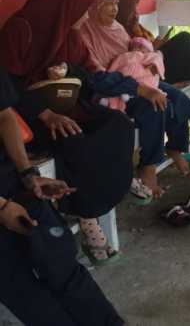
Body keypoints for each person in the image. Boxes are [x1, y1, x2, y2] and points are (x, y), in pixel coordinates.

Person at [0, 0, 136, 266]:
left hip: (67, 104)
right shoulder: (19, 29)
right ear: (63, 7)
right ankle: (87, 216)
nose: (85, 16)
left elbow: (86, 73)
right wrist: (45, 113)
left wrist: (66, 69)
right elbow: (7, 89)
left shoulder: (68, 34)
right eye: (82, 8)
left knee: (118, 125)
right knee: (72, 138)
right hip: (30, 114)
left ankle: (115, 187)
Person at [0, 67, 124, 326]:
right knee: (20, 288)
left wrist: (28, 174)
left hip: (13, 186)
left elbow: (4, 116)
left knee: (62, 266)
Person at [79, 0, 190, 187]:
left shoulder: (117, 28)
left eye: (116, 3)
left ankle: (175, 147)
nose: (114, 9)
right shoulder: (85, 33)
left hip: (139, 79)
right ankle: (149, 166)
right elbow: (97, 75)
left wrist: (147, 61)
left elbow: (134, 50)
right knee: (154, 105)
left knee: (178, 98)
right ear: (93, 5)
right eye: (108, 3)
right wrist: (140, 84)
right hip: (116, 90)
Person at [113, 0, 190, 88]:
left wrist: (157, 44)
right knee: (185, 38)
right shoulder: (119, 33)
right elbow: (134, 64)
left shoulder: (135, 27)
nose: (136, 15)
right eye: (131, 11)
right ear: (121, 12)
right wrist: (154, 47)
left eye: (136, 10)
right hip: (153, 70)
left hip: (159, 60)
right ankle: (173, 83)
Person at [102, 37, 165, 111]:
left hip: (142, 83)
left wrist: (155, 64)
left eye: (142, 47)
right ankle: (111, 103)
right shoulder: (126, 55)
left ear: (148, 51)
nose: (138, 48)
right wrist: (110, 72)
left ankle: (117, 105)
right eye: (135, 46)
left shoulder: (147, 56)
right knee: (119, 92)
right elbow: (116, 63)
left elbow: (157, 59)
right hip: (126, 81)